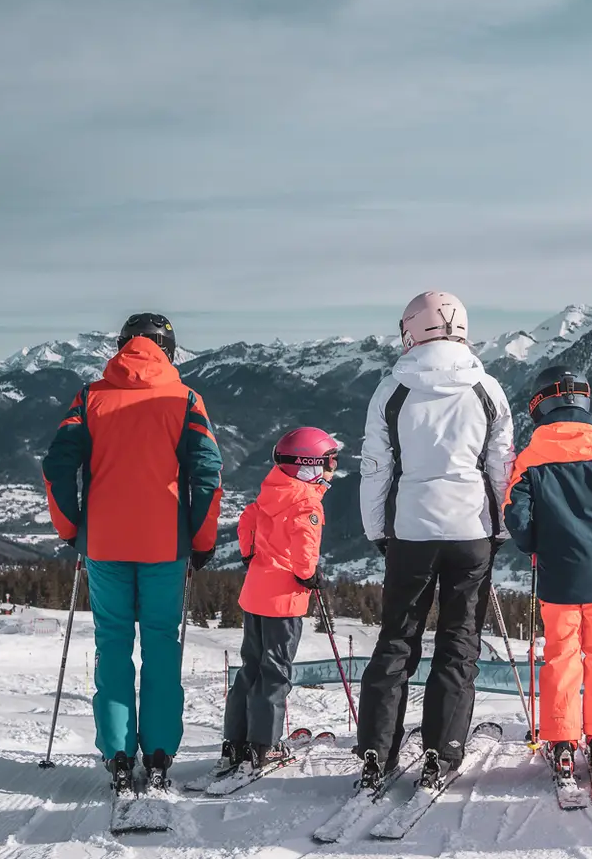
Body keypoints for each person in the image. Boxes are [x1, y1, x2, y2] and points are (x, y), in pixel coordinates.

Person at [43, 313, 224, 795]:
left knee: (113, 645)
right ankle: (160, 754)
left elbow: (58, 464)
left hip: (104, 544)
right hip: (166, 545)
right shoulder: (185, 400)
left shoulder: (89, 397)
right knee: (162, 645)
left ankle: (119, 755)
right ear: (170, 350)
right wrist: (202, 542)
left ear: (122, 345)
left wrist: (71, 530)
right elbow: (207, 476)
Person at [355, 291, 515, 789]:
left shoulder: (391, 389)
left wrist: (377, 528)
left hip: (411, 530)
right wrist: (502, 527)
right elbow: (501, 466)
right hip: (471, 531)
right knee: (458, 641)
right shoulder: (488, 387)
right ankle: (442, 750)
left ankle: (376, 753)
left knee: (397, 640)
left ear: (411, 330)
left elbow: (375, 468)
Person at [504, 366, 592, 788]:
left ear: (539, 406)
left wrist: (534, 544)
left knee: (561, 656)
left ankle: (562, 741)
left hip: (557, 575)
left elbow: (516, 514)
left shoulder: (531, 458)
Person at [213, 427, 337, 781]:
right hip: (283, 601)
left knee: (250, 668)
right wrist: (307, 574)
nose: (332, 470)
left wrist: (249, 552)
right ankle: (262, 747)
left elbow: (247, 519)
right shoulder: (305, 502)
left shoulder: (273, 490)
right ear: (308, 465)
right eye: (328, 463)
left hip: (255, 592)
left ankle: (234, 744)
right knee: (275, 673)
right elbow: (305, 543)